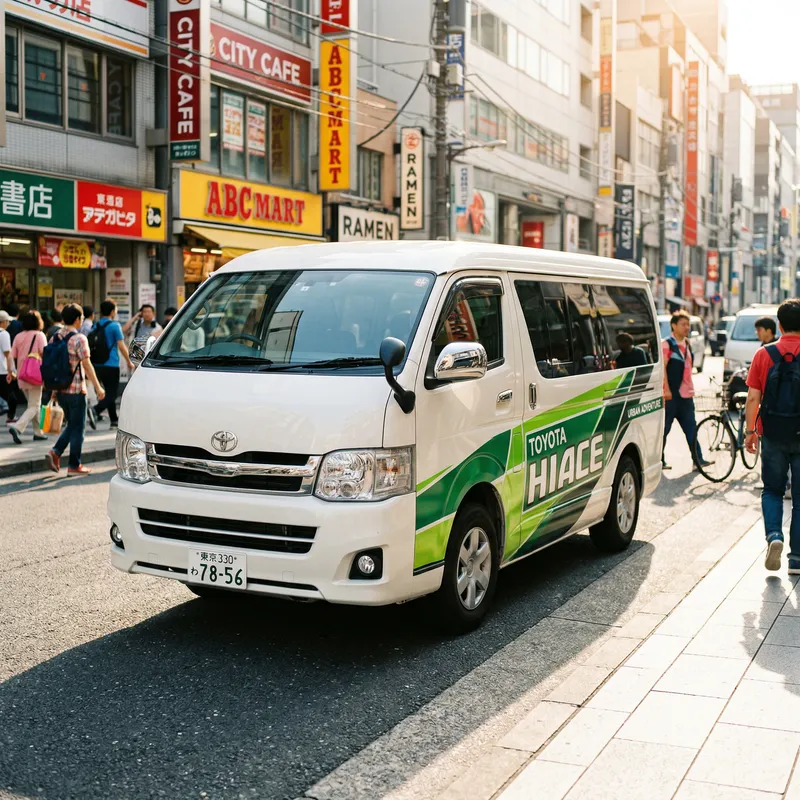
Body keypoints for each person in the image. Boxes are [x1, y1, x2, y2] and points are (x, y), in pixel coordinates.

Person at [745, 298, 800, 575]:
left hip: (773, 433)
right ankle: (797, 559)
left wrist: (750, 431)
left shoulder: (764, 354)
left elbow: (753, 397)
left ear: (779, 324)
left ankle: (774, 536)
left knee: (772, 490)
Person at [45, 304, 106, 476]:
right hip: (77, 390)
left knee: (73, 425)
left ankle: (55, 452)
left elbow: (53, 366)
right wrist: (98, 386)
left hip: (61, 390)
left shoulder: (55, 337)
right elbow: (86, 364)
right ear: (78, 319)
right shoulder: (79, 339)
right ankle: (74, 465)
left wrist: (53, 390)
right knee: (78, 428)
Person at [662, 310, 711, 471]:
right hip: (671, 395)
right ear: (673, 326)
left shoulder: (687, 343)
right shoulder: (667, 344)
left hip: (686, 396)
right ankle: (658, 461)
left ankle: (698, 460)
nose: (687, 327)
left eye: (688, 324)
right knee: (664, 430)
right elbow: (662, 369)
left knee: (691, 428)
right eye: (683, 324)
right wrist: (666, 390)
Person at [92, 300, 134, 428]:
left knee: (108, 392)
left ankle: (114, 421)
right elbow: (121, 345)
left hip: (97, 364)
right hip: (111, 363)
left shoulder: (96, 325)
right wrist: (129, 361)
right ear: (112, 312)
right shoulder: (114, 326)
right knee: (112, 393)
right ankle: (95, 410)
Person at [8, 310, 47, 444]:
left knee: (33, 404)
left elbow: (11, 356)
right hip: (35, 375)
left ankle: (38, 432)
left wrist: (10, 372)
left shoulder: (18, 336)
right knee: (35, 405)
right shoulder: (40, 335)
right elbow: (44, 354)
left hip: (22, 375)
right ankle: (18, 427)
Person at [0, 310, 18, 424]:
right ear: (3, 322)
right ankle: (10, 417)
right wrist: (11, 370)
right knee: (11, 397)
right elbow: (8, 354)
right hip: (2, 370)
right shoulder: (4, 334)